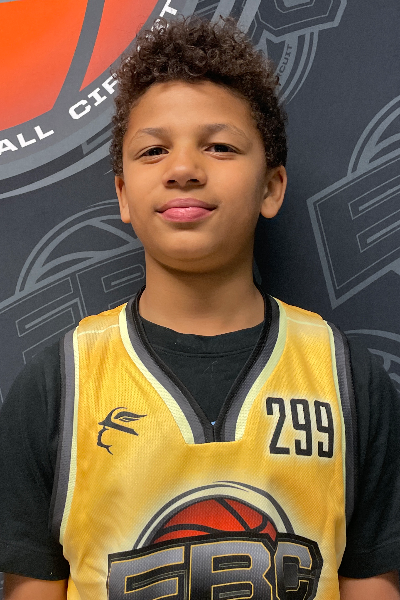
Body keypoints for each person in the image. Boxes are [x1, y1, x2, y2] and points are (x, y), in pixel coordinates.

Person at [1, 15, 400, 600]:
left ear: (271, 187)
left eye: (220, 147)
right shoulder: (60, 385)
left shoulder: (347, 381)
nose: (184, 169)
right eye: (154, 149)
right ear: (123, 195)